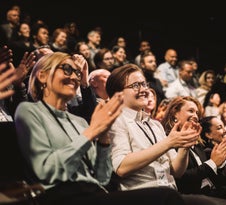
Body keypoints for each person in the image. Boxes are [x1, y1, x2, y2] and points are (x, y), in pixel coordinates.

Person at [14, 52, 186, 205]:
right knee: (167, 197)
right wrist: (92, 132)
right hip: (62, 197)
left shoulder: (79, 121)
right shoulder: (29, 110)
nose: (75, 77)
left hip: (94, 194)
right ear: (42, 76)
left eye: (77, 72)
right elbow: (46, 170)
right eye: (67, 69)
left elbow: (102, 177)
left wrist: (103, 139)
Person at [105, 63, 226, 205]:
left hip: (170, 193)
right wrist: (168, 143)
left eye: (144, 84)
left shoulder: (155, 125)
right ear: (118, 93)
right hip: (143, 196)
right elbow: (122, 167)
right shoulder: (116, 121)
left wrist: (184, 146)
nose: (144, 89)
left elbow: (176, 171)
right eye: (135, 85)